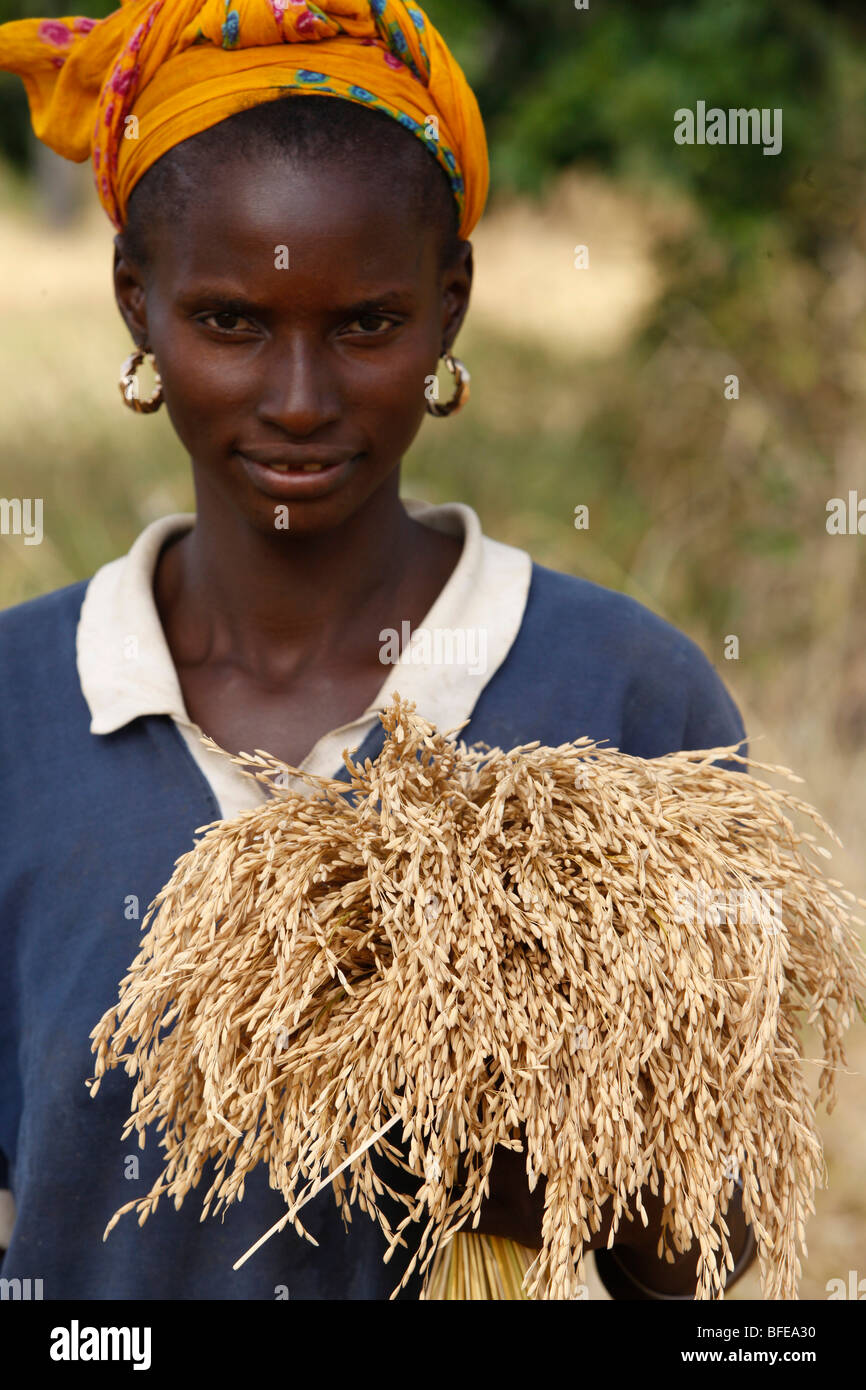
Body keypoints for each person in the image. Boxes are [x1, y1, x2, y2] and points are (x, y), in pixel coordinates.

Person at [0, 0, 756, 1300]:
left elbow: (713, 1245)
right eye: (230, 321)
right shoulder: (18, 711)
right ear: (137, 301)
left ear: (448, 305)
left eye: (365, 324)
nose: (299, 400)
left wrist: (516, 1145)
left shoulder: (624, 696)